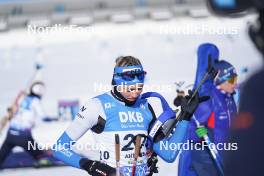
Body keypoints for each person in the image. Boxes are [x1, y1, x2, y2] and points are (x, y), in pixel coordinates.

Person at [52, 56, 206, 176]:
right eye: (129, 88)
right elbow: (59, 148)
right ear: (116, 82)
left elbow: (169, 153)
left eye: (139, 88)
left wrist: (185, 117)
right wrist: (91, 166)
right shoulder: (97, 106)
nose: (135, 93)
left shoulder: (146, 106)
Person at [206, 0, 264, 175]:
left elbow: (244, 165)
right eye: (229, 79)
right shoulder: (213, 100)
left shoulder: (255, 88)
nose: (233, 83)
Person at [178, 43, 238, 176]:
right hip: (207, 160)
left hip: (226, 157)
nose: (236, 83)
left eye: (236, 78)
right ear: (222, 79)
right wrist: (201, 135)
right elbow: (192, 131)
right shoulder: (208, 99)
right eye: (232, 80)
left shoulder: (229, 99)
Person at [0, 81, 50, 168]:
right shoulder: (35, 101)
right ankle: (40, 159)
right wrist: (53, 119)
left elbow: (12, 109)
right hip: (23, 136)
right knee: (39, 155)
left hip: (10, 135)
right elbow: (43, 117)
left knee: (2, 156)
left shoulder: (22, 98)